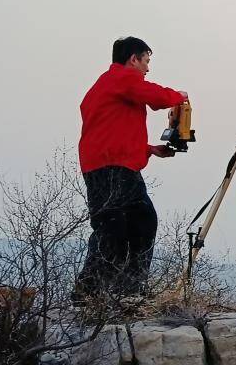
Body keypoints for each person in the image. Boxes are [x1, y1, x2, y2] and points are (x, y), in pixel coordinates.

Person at [74, 36, 188, 303]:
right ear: (133, 59)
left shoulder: (106, 85)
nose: (147, 70)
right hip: (113, 167)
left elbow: (111, 131)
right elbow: (156, 97)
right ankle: (124, 289)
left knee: (113, 226)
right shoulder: (123, 78)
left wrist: (148, 149)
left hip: (103, 163)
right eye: (146, 62)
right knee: (138, 221)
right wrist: (179, 96)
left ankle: (97, 289)